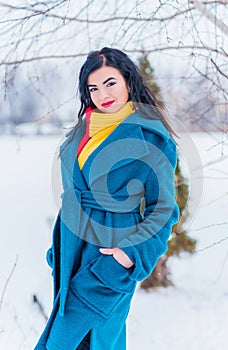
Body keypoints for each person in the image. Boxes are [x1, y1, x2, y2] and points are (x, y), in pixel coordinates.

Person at [35, 47, 179, 350]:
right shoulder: (79, 134)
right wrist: (57, 250)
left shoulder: (151, 138)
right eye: (94, 88)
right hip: (73, 252)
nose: (103, 94)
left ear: (128, 81)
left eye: (110, 83)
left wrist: (133, 254)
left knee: (73, 341)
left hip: (111, 254)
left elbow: (163, 209)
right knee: (85, 340)